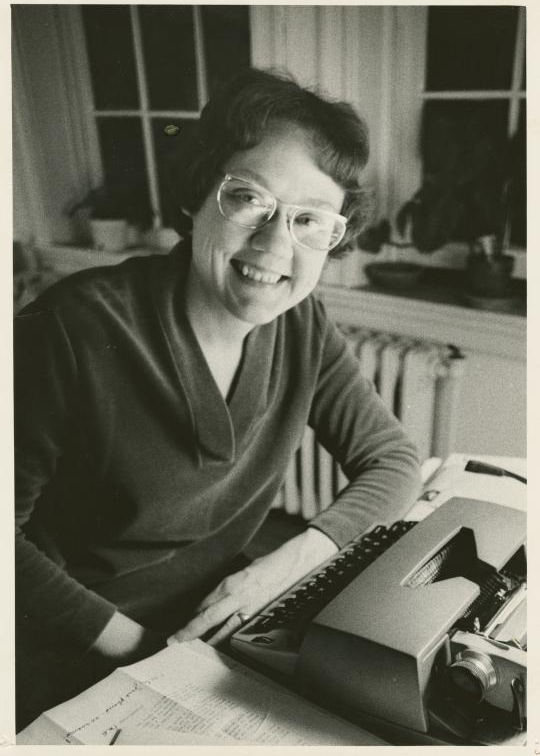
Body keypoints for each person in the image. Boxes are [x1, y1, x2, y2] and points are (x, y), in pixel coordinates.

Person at [15, 68, 421, 730]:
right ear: (199, 194)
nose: (274, 245)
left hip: (213, 623)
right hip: (75, 650)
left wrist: (286, 563)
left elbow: (393, 460)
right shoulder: (73, 327)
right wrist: (142, 652)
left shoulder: (302, 323)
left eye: (309, 221)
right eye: (248, 199)